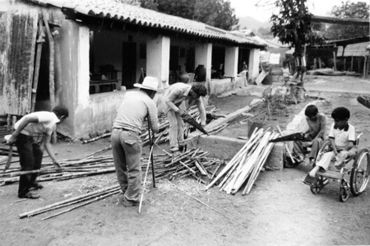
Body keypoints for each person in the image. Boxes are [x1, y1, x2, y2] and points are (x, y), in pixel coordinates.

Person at [111, 76, 159, 207]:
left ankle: (126, 191)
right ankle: (131, 198)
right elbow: (155, 128)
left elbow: (119, 110)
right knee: (134, 168)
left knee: (120, 166)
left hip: (115, 132)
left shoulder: (129, 94)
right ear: (153, 92)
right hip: (130, 135)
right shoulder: (150, 102)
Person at [6, 106, 69, 199]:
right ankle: (23, 192)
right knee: (28, 163)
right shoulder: (49, 116)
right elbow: (27, 118)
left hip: (30, 135)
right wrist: (14, 135)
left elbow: (47, 143)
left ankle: (31, 182)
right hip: (21, 134)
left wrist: (55, 160)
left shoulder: (52, 124)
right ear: (62, 117)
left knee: (38, 155)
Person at [306, 107, 356, 180]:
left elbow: (351, 144)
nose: (335, 123)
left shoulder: (351, 128)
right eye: (335, 121)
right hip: (335, 148)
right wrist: (335, 150)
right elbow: (331, 139)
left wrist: (342, 150)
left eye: (337, 121)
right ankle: (316, 168)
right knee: (327, 155)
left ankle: (338, 163)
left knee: (344, 154)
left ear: (346, 120)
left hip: (346, 149)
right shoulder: (334, 125)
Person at [164, 82, 207, 152]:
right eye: (198, 95)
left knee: (181, 123)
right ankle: (173, 146)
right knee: (174, 124)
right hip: (167, 101)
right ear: (192, 91)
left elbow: (201, 109)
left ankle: (181, 142)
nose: (198, 97)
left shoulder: (196, 96)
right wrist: (178, 110)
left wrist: (203, 123)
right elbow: (168, 101)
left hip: (177, 102)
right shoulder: (179, 90)